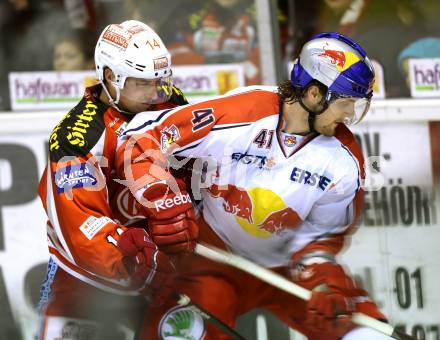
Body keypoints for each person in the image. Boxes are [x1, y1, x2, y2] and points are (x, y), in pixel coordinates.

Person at [115, 32, 392, 339]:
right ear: (315, 94)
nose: (350, 114)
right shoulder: (241, 113)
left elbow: (321, 238)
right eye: (346, 103)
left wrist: (323, 281)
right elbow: (142, 137)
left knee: (368, 333)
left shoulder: (345, 161)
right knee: (180, 333)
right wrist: (163, 201)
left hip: (288, 272)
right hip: (211, 260)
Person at [37, 20, 198, 340]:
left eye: (161, 82)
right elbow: (79, 223)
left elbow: (194, 170)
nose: (155, 94)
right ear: (111, 77)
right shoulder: (79, 134)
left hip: (163, 276)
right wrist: (126, 253)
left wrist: (188, 218)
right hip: (85, 283)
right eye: (143, 84)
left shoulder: (170, 102)